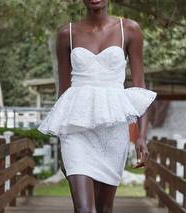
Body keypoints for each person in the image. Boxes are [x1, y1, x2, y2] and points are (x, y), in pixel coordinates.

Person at [37, 0, 157, 212]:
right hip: (77, 131)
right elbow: (63, 91)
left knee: (104, 209)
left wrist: (141, 136)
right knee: (84, 210)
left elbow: (140, 87)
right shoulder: (67, 33)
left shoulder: (129, 29)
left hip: (112, 131)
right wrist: (61, 137)